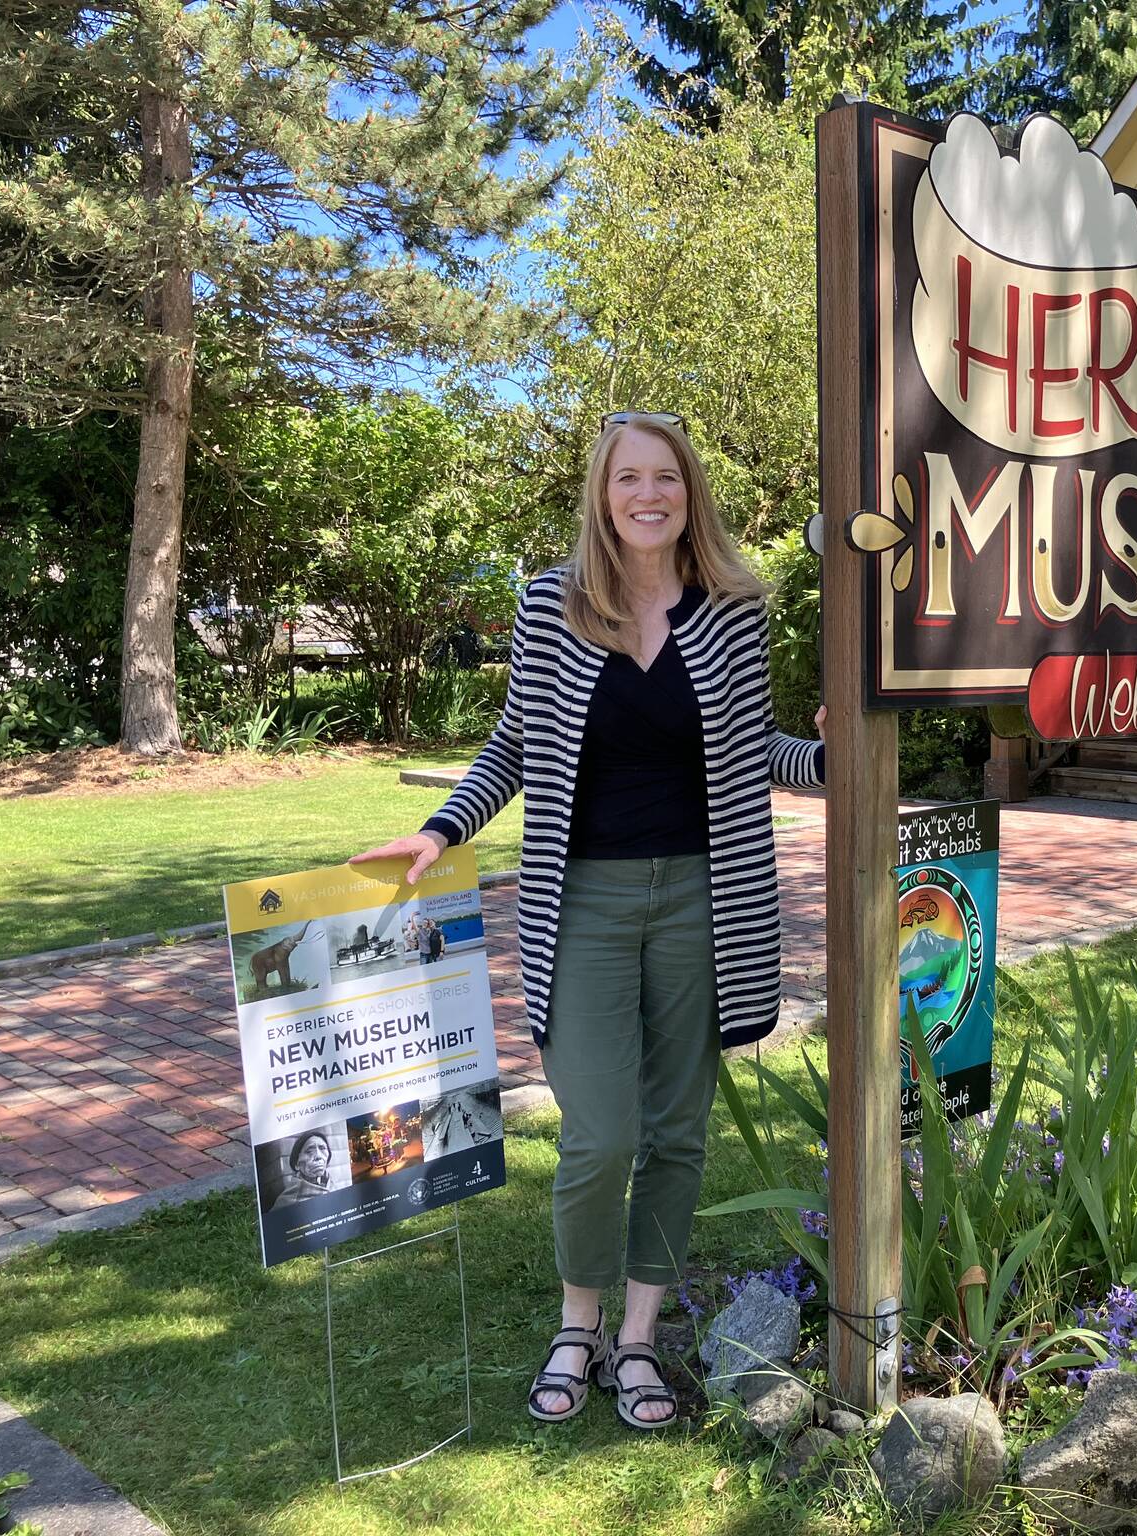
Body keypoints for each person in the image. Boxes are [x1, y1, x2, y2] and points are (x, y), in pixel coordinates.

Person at [352, 413, 825, 1431]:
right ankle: (578, 1325)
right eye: (627, 480)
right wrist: (439, 832)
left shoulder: (733, 610)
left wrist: (835, 759)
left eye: (665, 478)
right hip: (587, 906)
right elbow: (515, 747)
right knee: (598, 1137)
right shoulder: (549, 605)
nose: (647, 496)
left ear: (689, 492)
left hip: (706, 898)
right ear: (601, 496)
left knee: (676, 1135)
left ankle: (639, 1338)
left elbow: (755, 749)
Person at [269, 1128, 334, 1210]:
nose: (318, 1156)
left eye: (322, 1148)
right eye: (309, 1151)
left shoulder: (332, 1186)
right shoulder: (287, 1201)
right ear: (297, 1164)